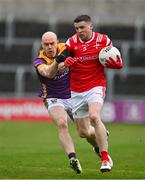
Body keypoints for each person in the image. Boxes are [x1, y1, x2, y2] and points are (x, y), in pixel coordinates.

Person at [56, 15, 123, 172]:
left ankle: (105, 158)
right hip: (76, 90)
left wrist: (117, 64)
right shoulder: (71, 43)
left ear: (90, 26)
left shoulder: (103, 40)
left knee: (94, 116)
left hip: (96, 86)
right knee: (83, 133)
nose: (79, 31)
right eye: (77, 28)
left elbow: (114, 59)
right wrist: (65, 64)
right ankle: (100, 139)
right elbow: (58, 65)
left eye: (82, 28)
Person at [32, 31, 82, 174]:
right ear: (42, 45)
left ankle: (98, 147)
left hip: (72, 95)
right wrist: (59, 61)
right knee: (62, 123)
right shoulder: (39, 61)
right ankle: (73, 158)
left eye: (52, 43)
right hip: (53, 97)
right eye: (46, 44)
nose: (49, 47)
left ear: (57, 42)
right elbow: (48, 73)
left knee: (85, 132)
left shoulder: (66, 48)